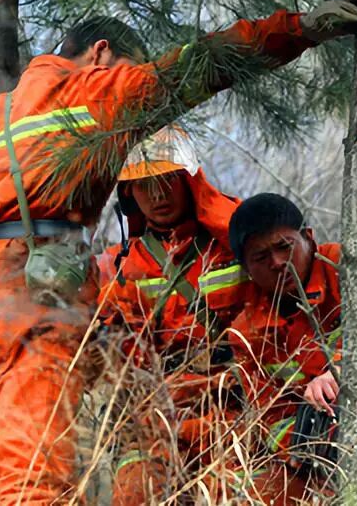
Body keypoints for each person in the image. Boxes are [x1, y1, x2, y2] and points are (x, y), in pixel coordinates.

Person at [0, 0, 357, 503]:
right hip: (24, 301)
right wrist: (299, 28)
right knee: (34, 480)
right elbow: (196, 67)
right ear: (101, 54)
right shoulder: (89, 94)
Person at [226, 193, 357, 496]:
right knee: (254, 492)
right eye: (261, 258)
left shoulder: (348, 265)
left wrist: (342, 371)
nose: (277, 263)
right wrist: (310, 447)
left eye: (285, 247)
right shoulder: (247, 333)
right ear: (247, 268)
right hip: (327, 451)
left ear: (308, 238)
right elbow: (270, 417)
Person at [95, 127, 252, 504]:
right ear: (129, 194)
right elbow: (103, 351)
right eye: (144, 185)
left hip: (232, 411)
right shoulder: (121, 266)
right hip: (154, 419)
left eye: (167, 180)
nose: (158, 195)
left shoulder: (242, 241)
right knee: (135, 491)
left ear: (189, 180)